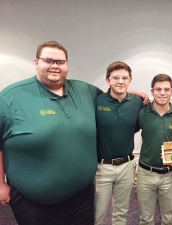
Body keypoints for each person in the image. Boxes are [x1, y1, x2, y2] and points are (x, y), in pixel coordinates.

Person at [0, 41, 148, 225]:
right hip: (34, 202)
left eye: (60, 62)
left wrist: (131, 92)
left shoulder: (83, 90)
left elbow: (109, 94)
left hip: (81, 197)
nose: (55, 66)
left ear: (67, 65)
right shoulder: (10, 97)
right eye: (48, 60)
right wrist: (0, 184)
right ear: (36, 63)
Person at [94, 61, 144, 224]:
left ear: (129, 80)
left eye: (124, 78)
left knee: (121, 213)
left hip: (127, 166)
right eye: (116, 78)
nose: (120, 81)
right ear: (108, 80)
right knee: (97, 214)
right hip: (102, 168)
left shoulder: (137, 102)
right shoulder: (97, 100)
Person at [136, 74, 172, 225]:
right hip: (146, 173)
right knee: (145, 219)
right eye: (158, 89)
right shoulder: (142, 113)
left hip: (169, 175)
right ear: (152, 91)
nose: (162, 93)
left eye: (166, 89)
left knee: (169, 217)